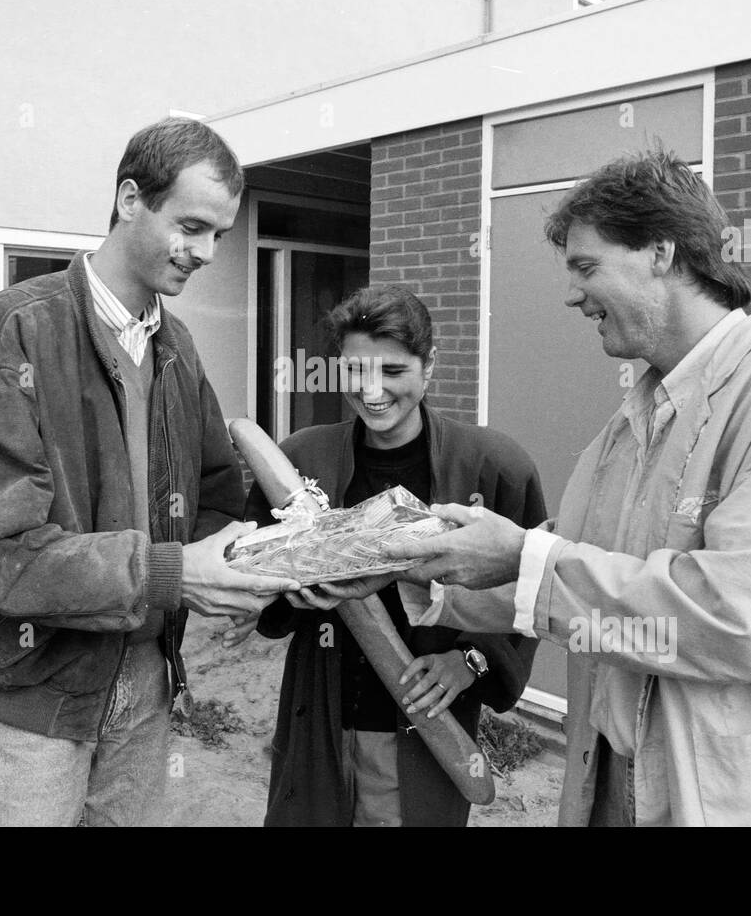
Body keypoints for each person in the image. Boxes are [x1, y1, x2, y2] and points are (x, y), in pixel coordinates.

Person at [384, 150, 751, 826]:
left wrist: (524, 559)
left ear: (661, 251)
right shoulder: (623, 429)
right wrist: (424, 576)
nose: (572, 295)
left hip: (745, 805)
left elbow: (746, 620)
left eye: (585, 267)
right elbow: (570, 580)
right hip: (608, 789)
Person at [0, 118, 298, 827]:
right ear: (129, 199)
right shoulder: (19, 331)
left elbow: (212, 503)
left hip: (144, 688)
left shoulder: (176, 348)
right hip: (30, 699)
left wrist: (262, 558)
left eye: (219, 234)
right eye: (191, 226)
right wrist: (173, 573)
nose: (207, 252)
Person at [232, 285, 546, 826]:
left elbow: (535, 587)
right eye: (355, 370)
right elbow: (257, 584)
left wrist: (474, 659)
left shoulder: (492, 465)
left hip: (426, 723)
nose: (372, 390)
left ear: (429, 367)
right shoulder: (303, 457)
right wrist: (292, 595)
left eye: (394, 371)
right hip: (322, 710)